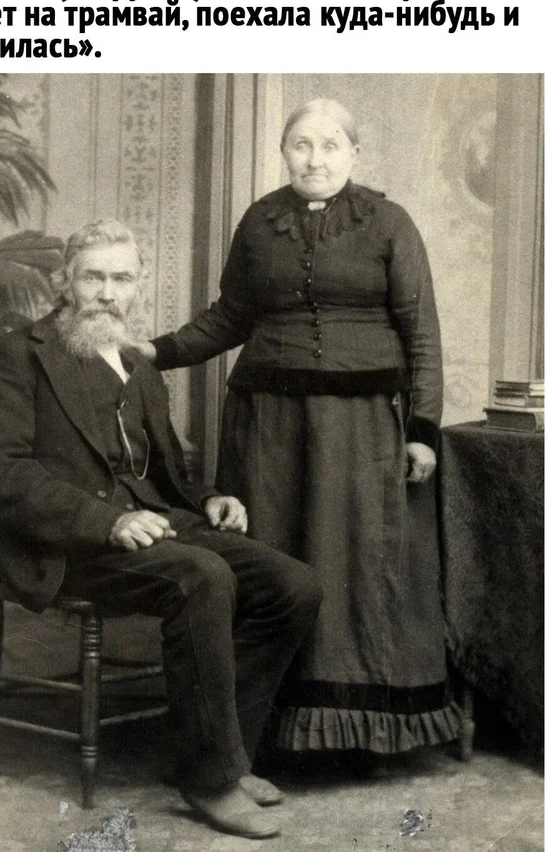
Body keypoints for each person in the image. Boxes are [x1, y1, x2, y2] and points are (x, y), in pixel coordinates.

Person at [0, 220, 322, 840]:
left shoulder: (137, 364)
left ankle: (224, 754)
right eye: (93, 277)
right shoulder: (15, 356)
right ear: (65, 282)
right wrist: (109, 521)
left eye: (121, 279)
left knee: (294, 585)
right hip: (66, 545)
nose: (107, 293)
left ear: (138, 287)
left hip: (153, 527)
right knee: (202, 576)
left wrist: (210, 500)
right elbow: (4, 476)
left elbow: (166, 473)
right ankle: (210, 779)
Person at [142, 97, 461, 757]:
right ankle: (260, 732)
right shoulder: (260, 221)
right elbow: (229, 318)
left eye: (329, 145)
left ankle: (359, 730)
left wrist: (422, 428)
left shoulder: (390, 223)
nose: (314, 159)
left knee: (356, 568)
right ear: (283, 151)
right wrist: (155, 351)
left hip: (360, 431)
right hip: (268, 427)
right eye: (300, 145)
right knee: (275, 560)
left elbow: (421, 333)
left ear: (353, 153)